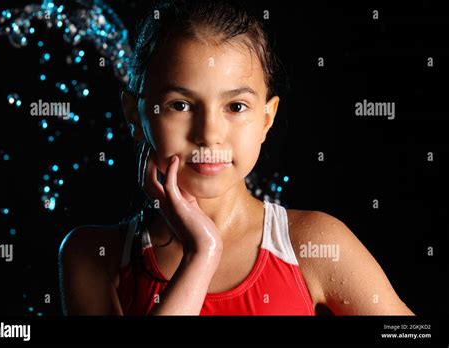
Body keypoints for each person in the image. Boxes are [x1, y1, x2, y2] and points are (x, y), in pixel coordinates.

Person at [58, 0, 414, 316]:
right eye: (180, 105)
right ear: (134, 115)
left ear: (265, 119)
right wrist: (202, 255)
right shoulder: (93, 256)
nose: (210, 133)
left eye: (236, 106)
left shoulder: (314, 244)